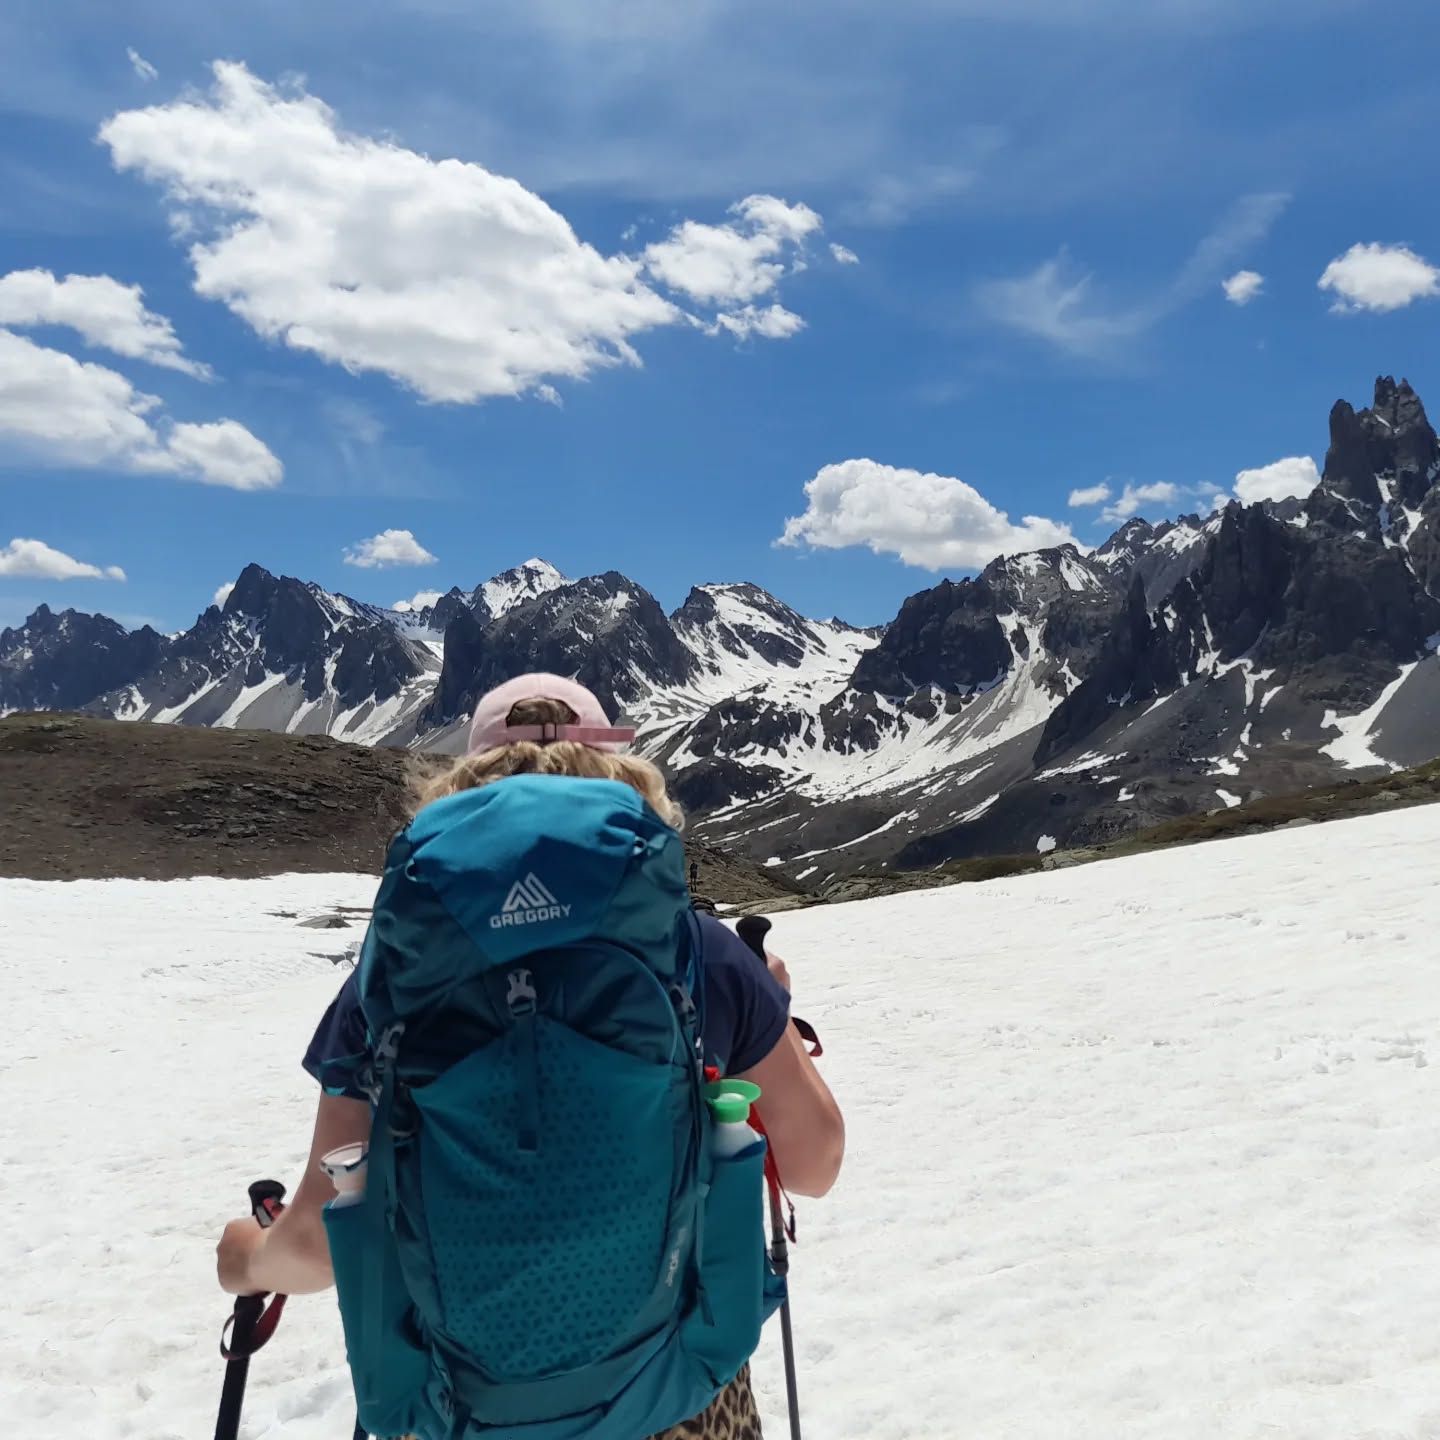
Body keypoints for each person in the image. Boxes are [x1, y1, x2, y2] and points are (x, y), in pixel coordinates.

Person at [217, 673, 845, 1440]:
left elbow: (318, 1243)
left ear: (463, 793)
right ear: (621, 785)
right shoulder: (702, 955)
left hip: (460, 1408)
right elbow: (814, 1166)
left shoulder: (390, 981)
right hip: (674, 1393)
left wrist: (245, 1259)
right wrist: (768, 1010)